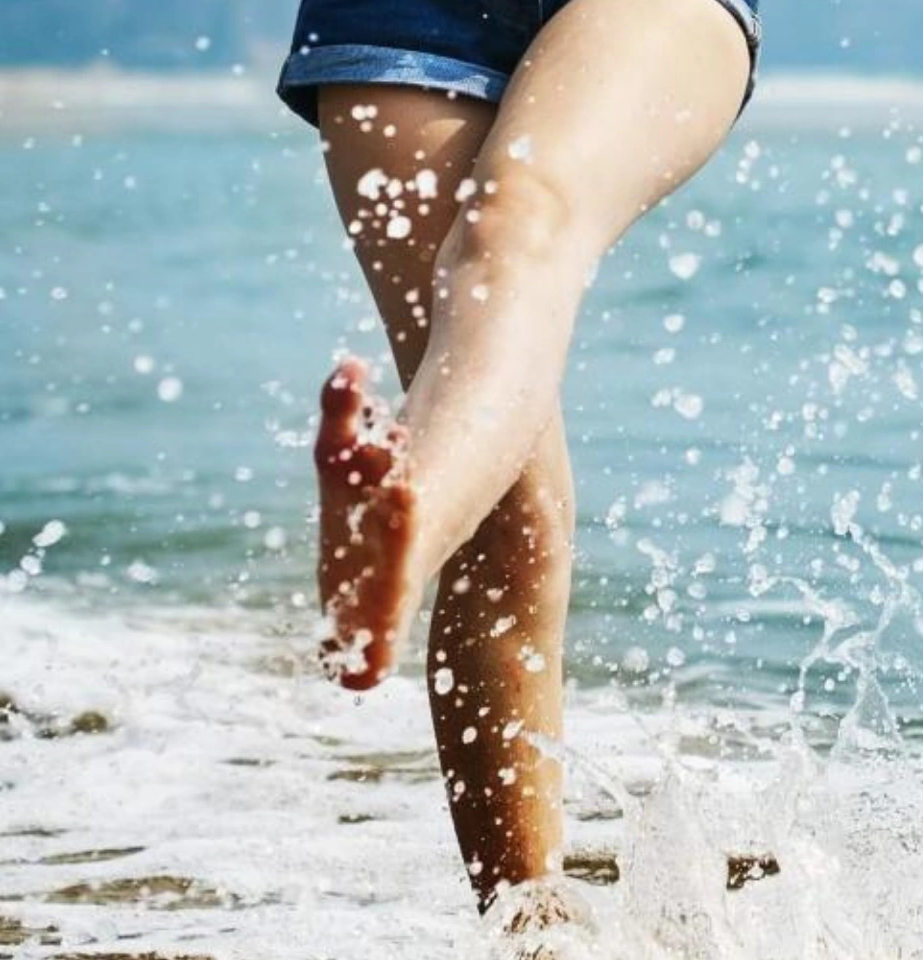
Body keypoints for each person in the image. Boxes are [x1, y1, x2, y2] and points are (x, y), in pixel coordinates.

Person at [275, 0, 760, 916]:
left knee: (516, 214)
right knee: (511, 518)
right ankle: (530, 928)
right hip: (407, 18)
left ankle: (400, 533)